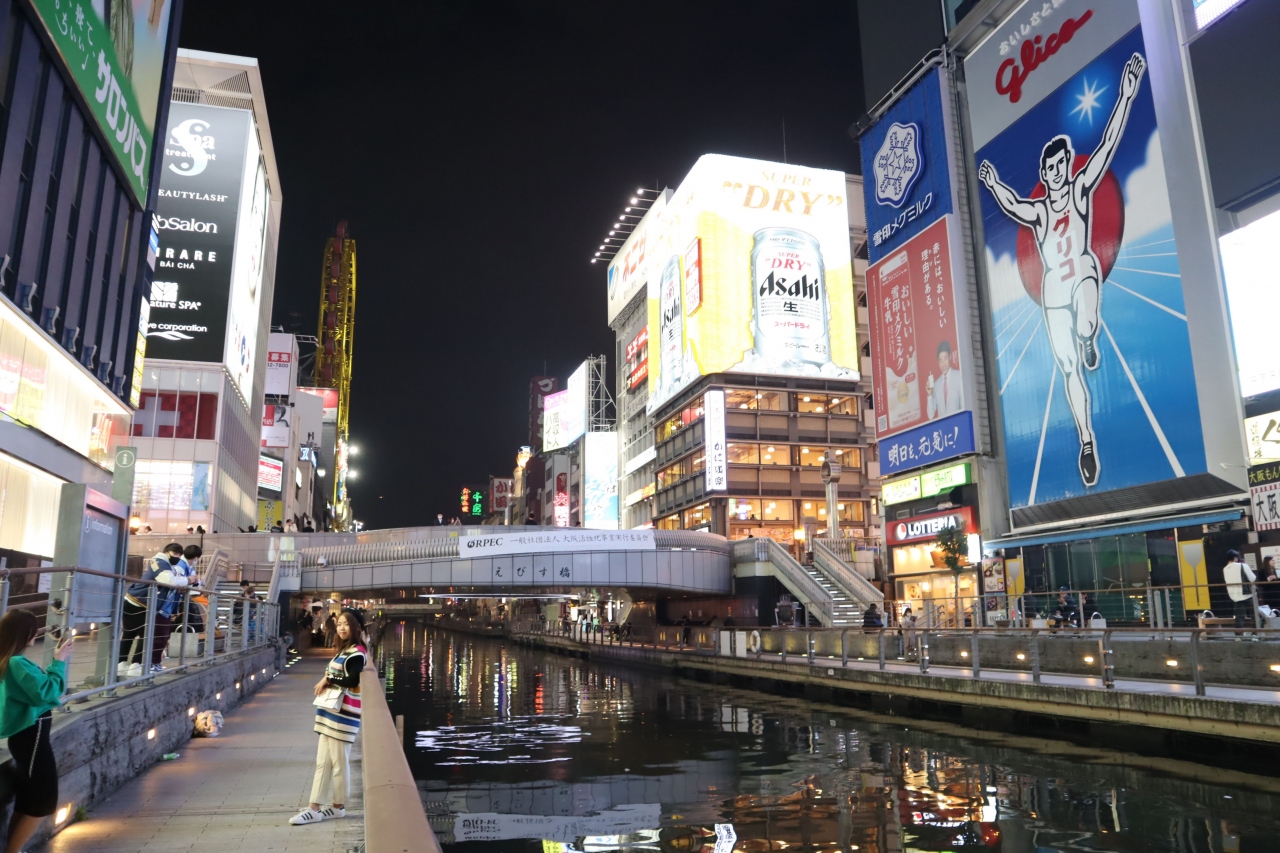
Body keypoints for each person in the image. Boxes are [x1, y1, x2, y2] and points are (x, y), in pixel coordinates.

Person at [980, 53, 1147, 488]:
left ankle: (1090, 335)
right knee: (1069, 367)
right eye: (1049, 169)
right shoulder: (1038, 211)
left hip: (1084, 272)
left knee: (1087, 320)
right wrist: (994, 183)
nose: (1055, 174)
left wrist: (1127, 93)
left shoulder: (1080, 189)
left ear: (1066, 165)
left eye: (1060, 166)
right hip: (1054, 287)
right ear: (1043, 172)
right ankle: (1086, 441)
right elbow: (1014, 205)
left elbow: (1109, 144)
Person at [0, 610, 73, 853]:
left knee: (31, 799)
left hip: (27, 739)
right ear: (24, 633)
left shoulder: (8, 660)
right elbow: (48, 692)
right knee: (42, 800)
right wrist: (59, 661)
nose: (37, 634)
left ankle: (13, 849)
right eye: (34, 630)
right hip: (31, 739)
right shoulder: (16, 662)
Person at [290, 609, 367, 826]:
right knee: (323, 762)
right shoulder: (345, 649)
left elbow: (352, 679)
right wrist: (329, 677)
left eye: (347, 624)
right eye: (340, 624)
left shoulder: (357, 652)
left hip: (343, 716)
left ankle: (336, 806)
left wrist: (328, 679)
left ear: (357, 627)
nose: (342, 628)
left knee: (339, 762)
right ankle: (316, 806)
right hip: (331, 714)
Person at [119, 543, 186, 677]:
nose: (177, 557)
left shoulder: (166, 564)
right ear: (167, 552)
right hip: (140, 603)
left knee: (129, 634)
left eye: (179, 555)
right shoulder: (160, 562)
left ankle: (121, 664)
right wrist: (187, 580)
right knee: (144, 634)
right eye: (175, 554)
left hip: (135, 601)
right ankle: (135, 665)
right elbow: (169, 580)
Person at [926, 340, 964, 420]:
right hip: (944, 430)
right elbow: (930, 415)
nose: (943, 364)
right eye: (940, 360)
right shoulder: (936, 384)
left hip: (957, 427)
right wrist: (929, 395)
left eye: (945, 359)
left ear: (950, 357)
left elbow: (963, 404)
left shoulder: (958, 376)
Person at [1224, 550, 1257, 629]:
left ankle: (1239, 635)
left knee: (1239, 617)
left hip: (1234, 596)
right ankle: (1255, 634)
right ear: (1235, 558)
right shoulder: (1243, 565)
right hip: (1247, 594)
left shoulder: (1225, 569)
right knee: (1254, 615)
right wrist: (1247, 566)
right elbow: (1252, 578)